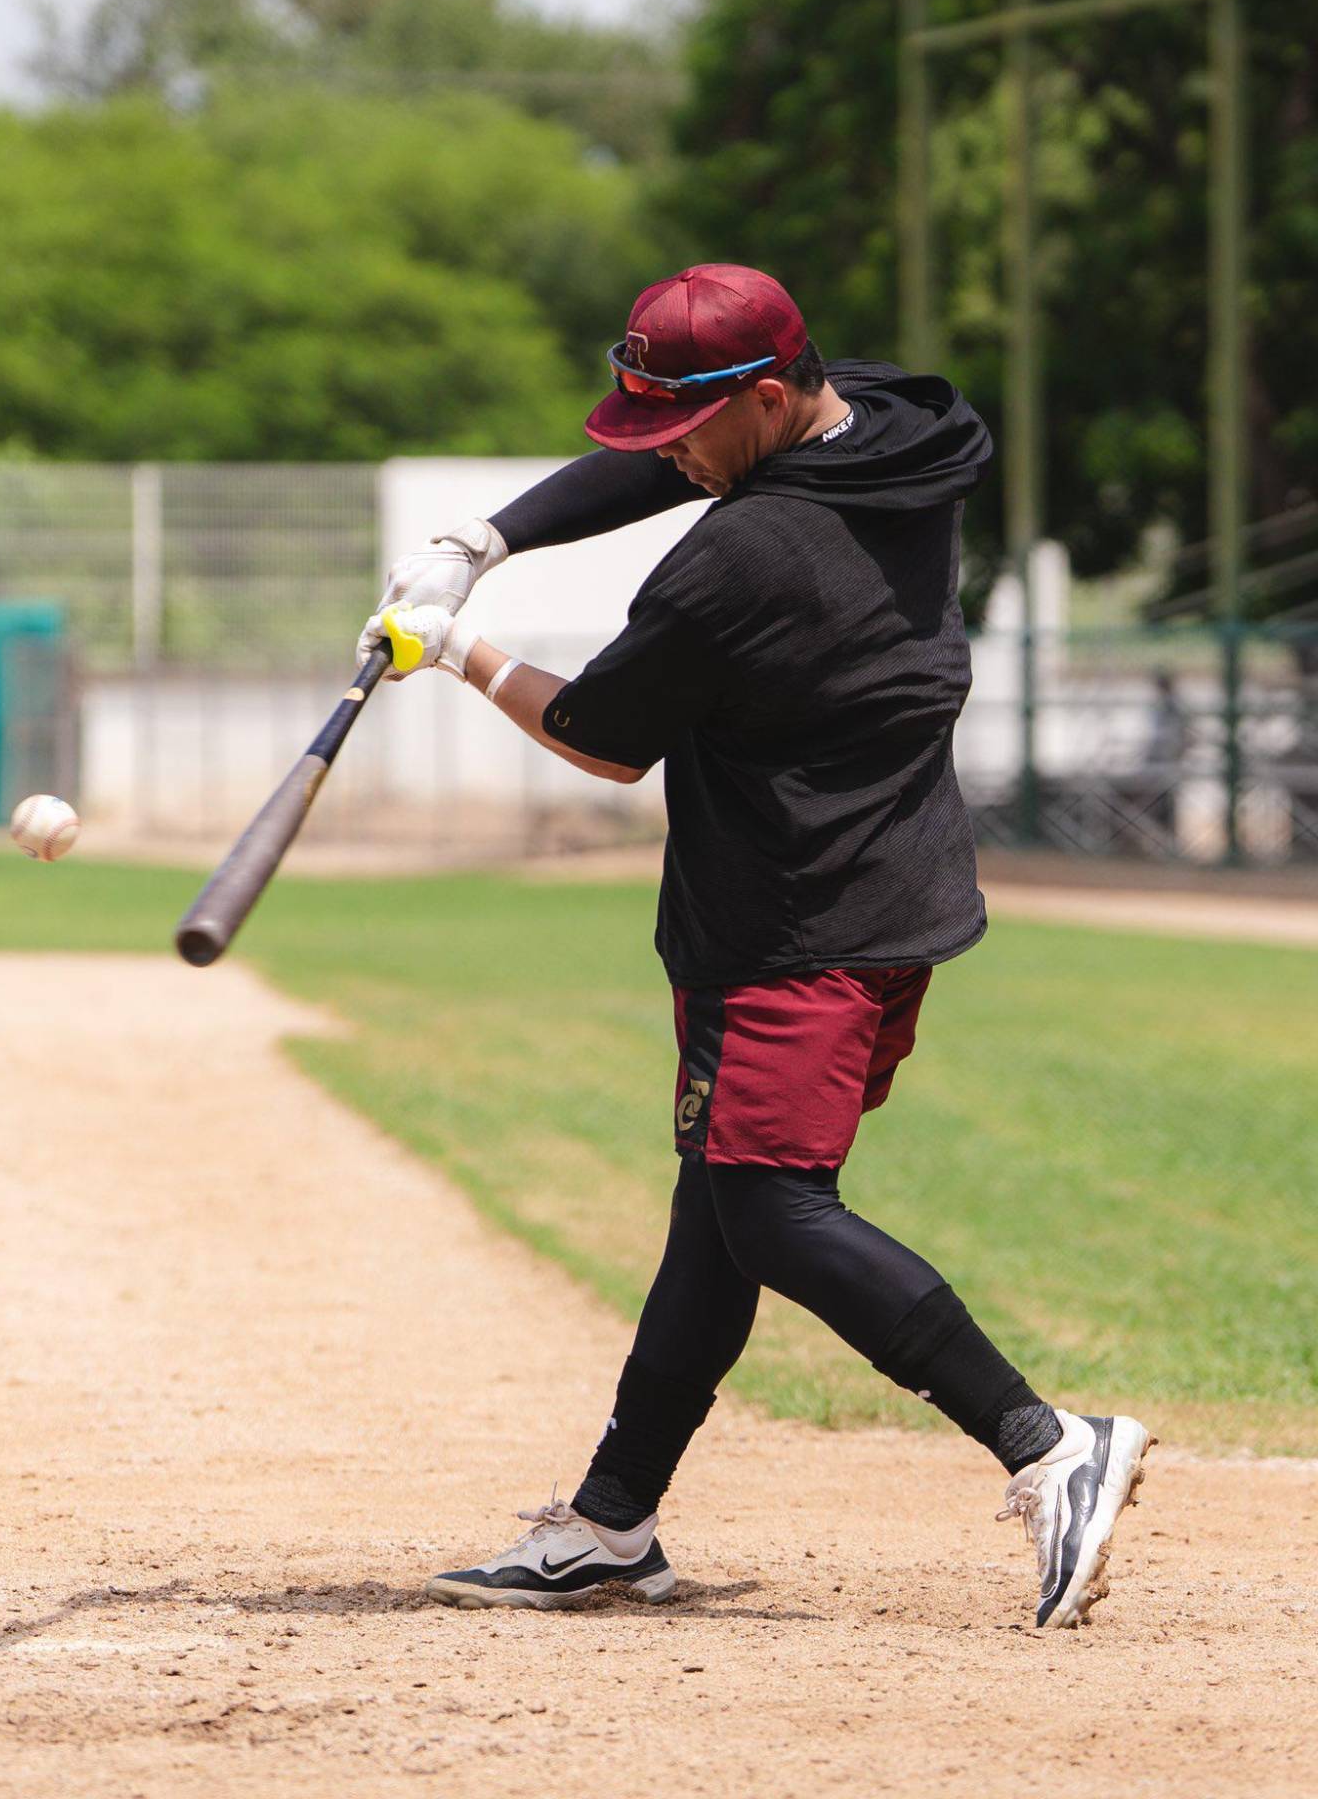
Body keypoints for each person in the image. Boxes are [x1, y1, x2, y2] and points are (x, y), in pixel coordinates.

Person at [357, 264, 1151, 1631]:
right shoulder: (903, 429)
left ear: (770, 396)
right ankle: (613, 1524)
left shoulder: (745, 559)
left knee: (769, 1209)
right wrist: (488, 536)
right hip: (882, 883)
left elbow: (605, 739)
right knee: (718, 1209)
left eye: (682, 426)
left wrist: (459, 648)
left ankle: (1045, 1443)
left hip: (796, 921)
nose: (663, 455)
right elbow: (682, 464)